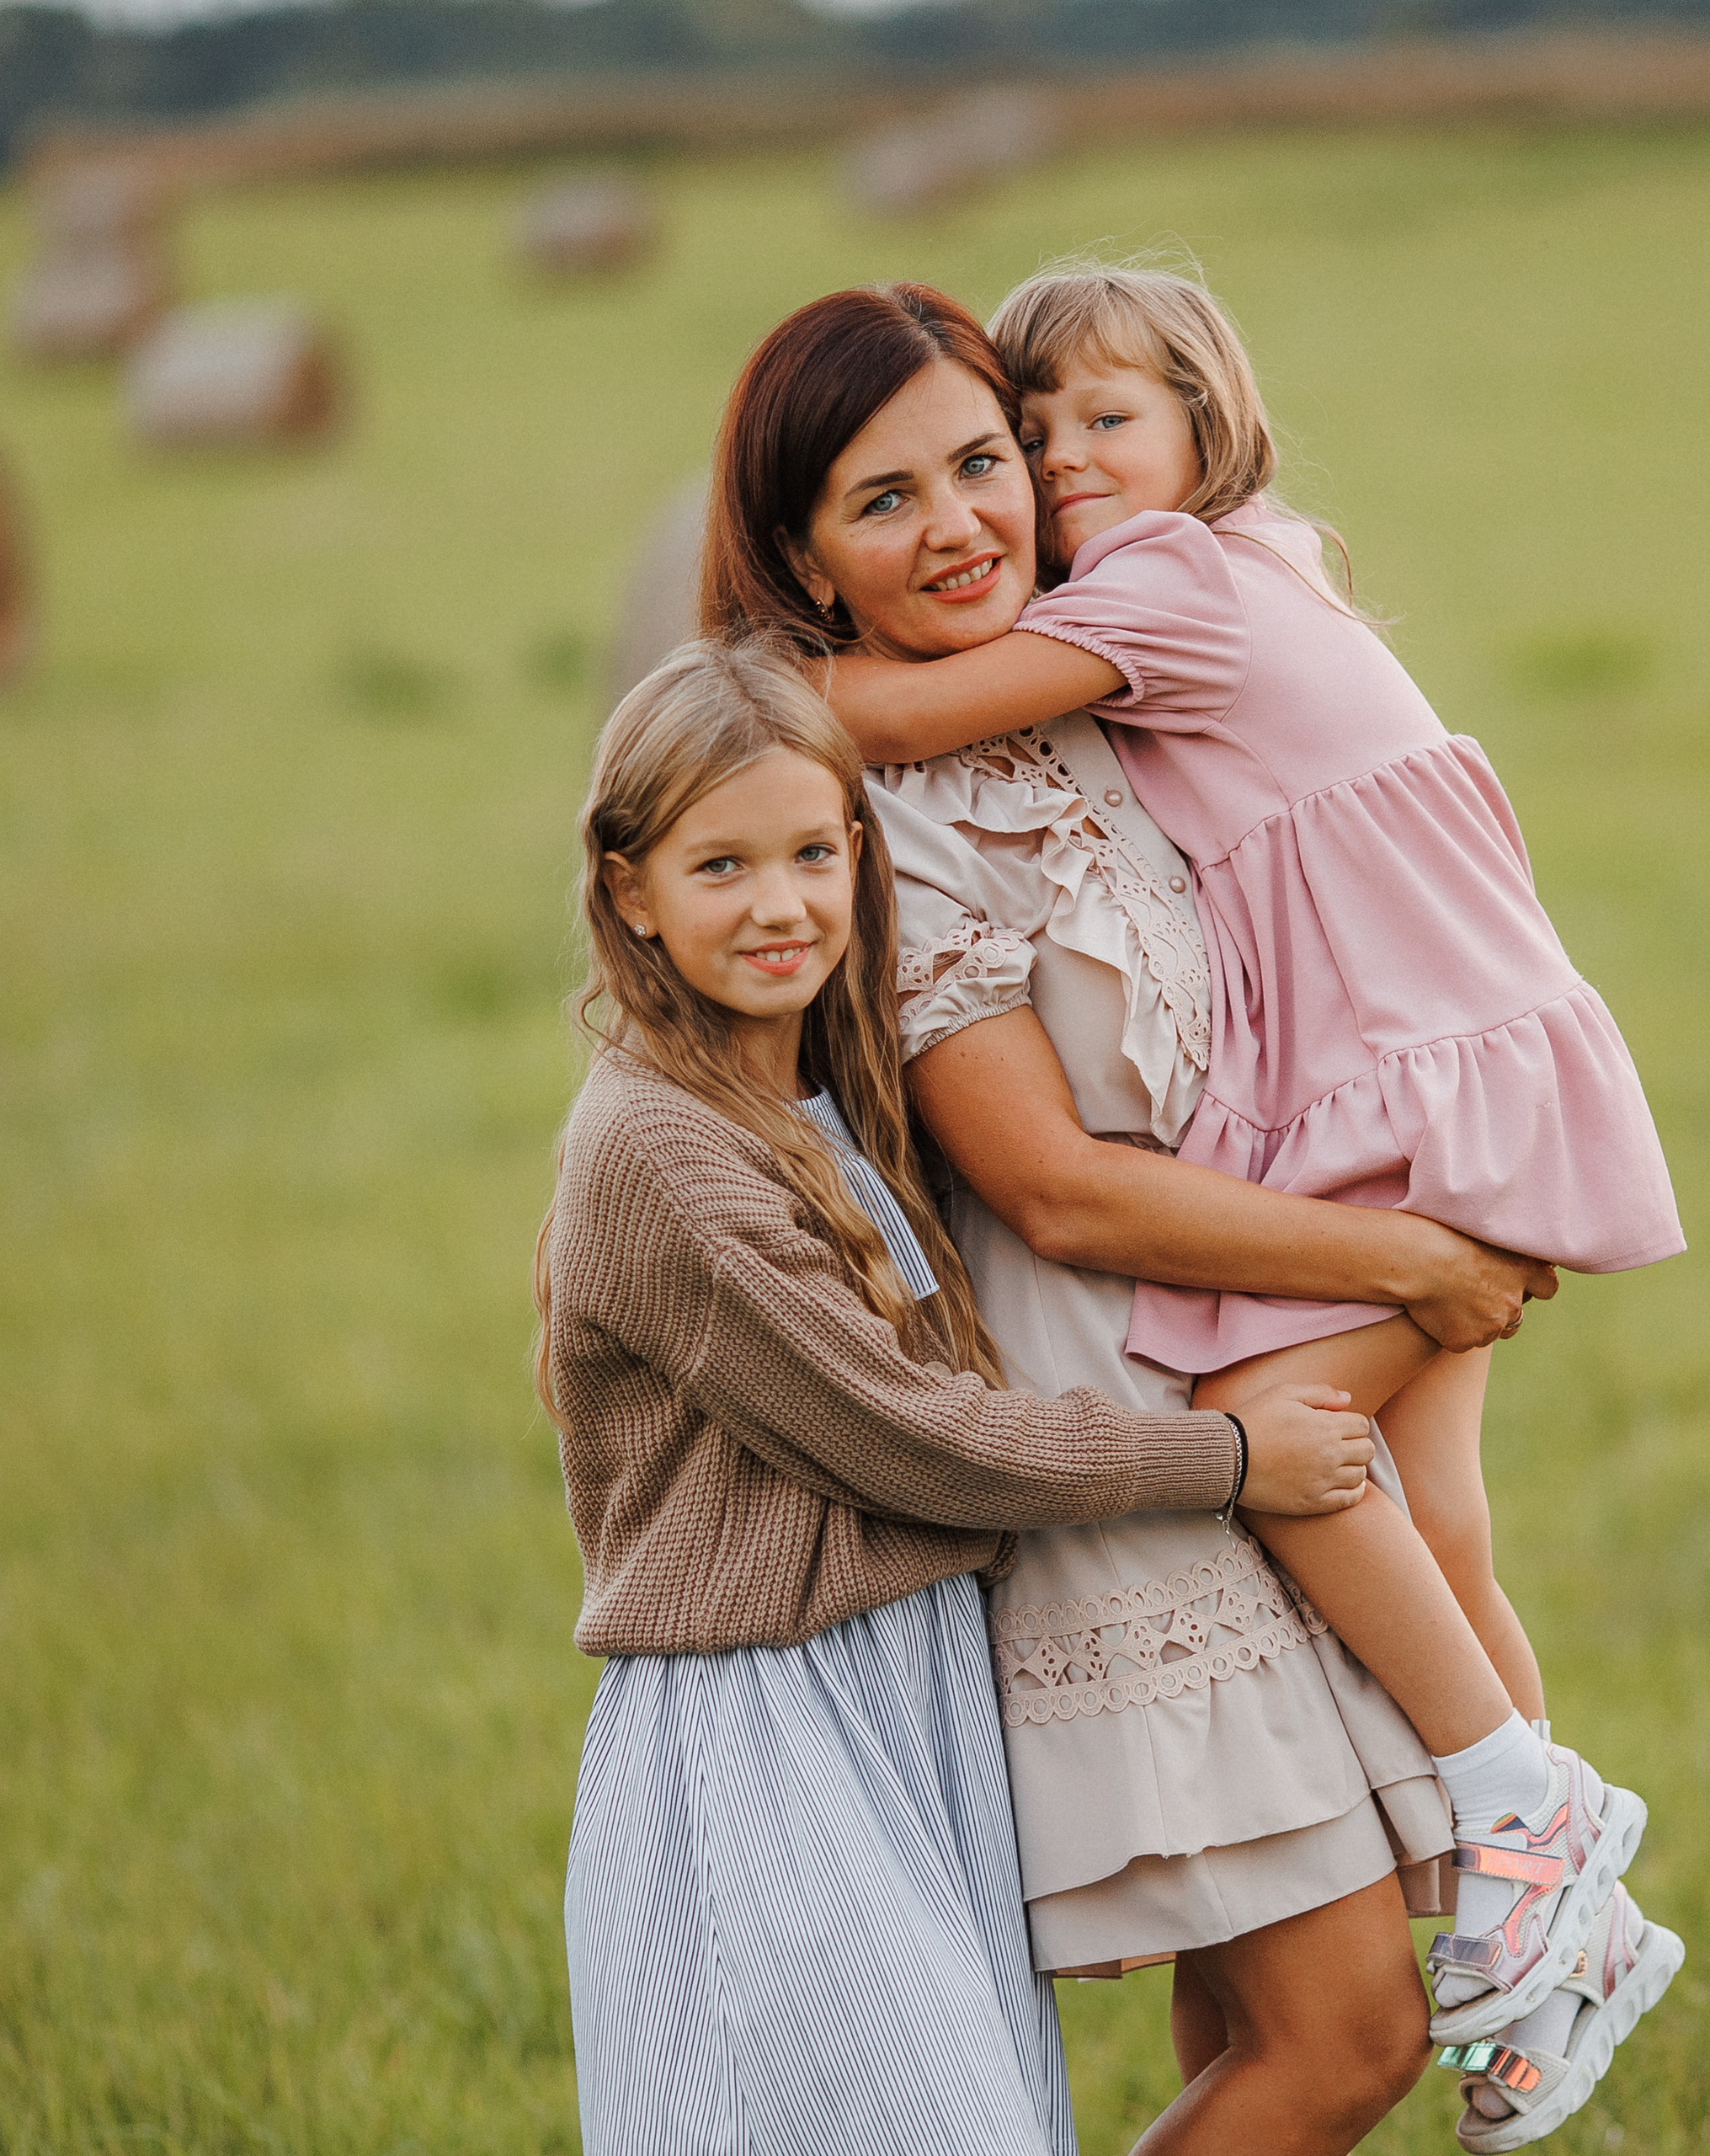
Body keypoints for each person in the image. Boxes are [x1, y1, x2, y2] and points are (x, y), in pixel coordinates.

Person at [706, 280, 1666, 2155]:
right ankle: (1538, 1820)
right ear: (802, 558)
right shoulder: (879, 813)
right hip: (1138, 1414)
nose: (979, 512)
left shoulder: (1110, 670)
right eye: (884, 500)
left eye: (985, 460)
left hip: (1255, 1300)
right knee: (1336, 2046)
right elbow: (1057, 1191)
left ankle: (1544, 1842)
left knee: (1262, 2017)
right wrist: (1414, 1257)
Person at [537, 637, 1379, 2156]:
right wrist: (1229, 1459)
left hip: (903, 1691)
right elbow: (908, 1434)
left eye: (810, 852)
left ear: (861, 855)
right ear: (629, 889)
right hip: (766, 1725)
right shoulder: (657, 1151)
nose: (781, 904)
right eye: (719, 865)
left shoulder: (809, 1089)